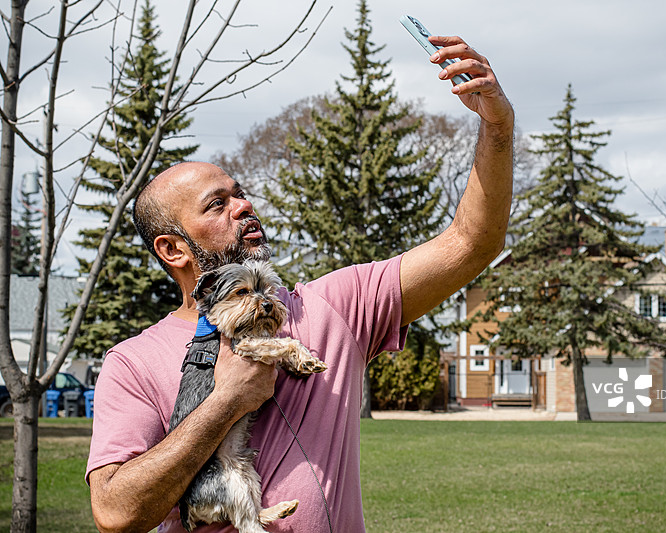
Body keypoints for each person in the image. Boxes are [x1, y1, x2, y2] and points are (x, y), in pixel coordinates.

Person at [87, 35, 514, 533]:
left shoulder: (333, 307)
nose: (244, 206)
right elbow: (116, 513)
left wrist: (498, 128)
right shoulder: (133, 363)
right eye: (216, 204)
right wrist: (226, 401)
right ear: (173, 250)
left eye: (240, 194)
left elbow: (473, 243)